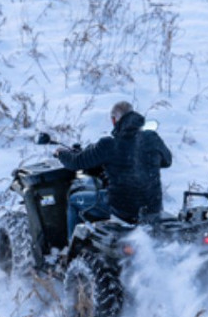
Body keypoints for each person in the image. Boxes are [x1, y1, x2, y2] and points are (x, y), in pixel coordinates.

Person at [55, 101, 172, 240]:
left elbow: (75, 162)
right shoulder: (152, 138)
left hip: (123, 209)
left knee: (74, 201)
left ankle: (70, 253)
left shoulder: (109, 144)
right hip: (152, 208)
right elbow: (167, 161)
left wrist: (60, 153)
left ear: (114, 120)